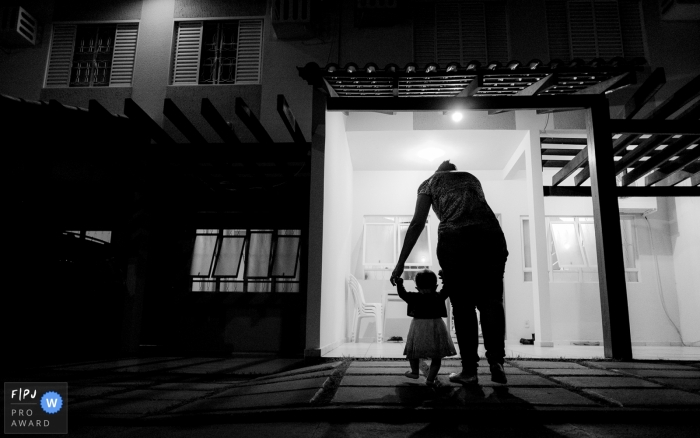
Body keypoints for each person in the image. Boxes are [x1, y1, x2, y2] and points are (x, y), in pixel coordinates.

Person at [390, 160, 508, 385]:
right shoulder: (471, 178)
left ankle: (470, 371)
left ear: (438, 171)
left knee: (463, 307)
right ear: (454, 171)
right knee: (491, 301)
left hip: (456, 242)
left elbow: (417, 224)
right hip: (491, 238)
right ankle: (496, 361)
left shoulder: (430, 182)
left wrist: (400, 264)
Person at [394, 269, 456, 388]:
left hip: (418, 327)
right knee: (436, 356)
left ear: (417, 287)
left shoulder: (414, 297)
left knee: (413, 352)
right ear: (436, 285)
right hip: (436, 327)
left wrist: (399, 283)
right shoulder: (439, 296)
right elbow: (447, 289)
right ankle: (430, 379)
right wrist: (445, 277)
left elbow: (403, 294)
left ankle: (415, 372)